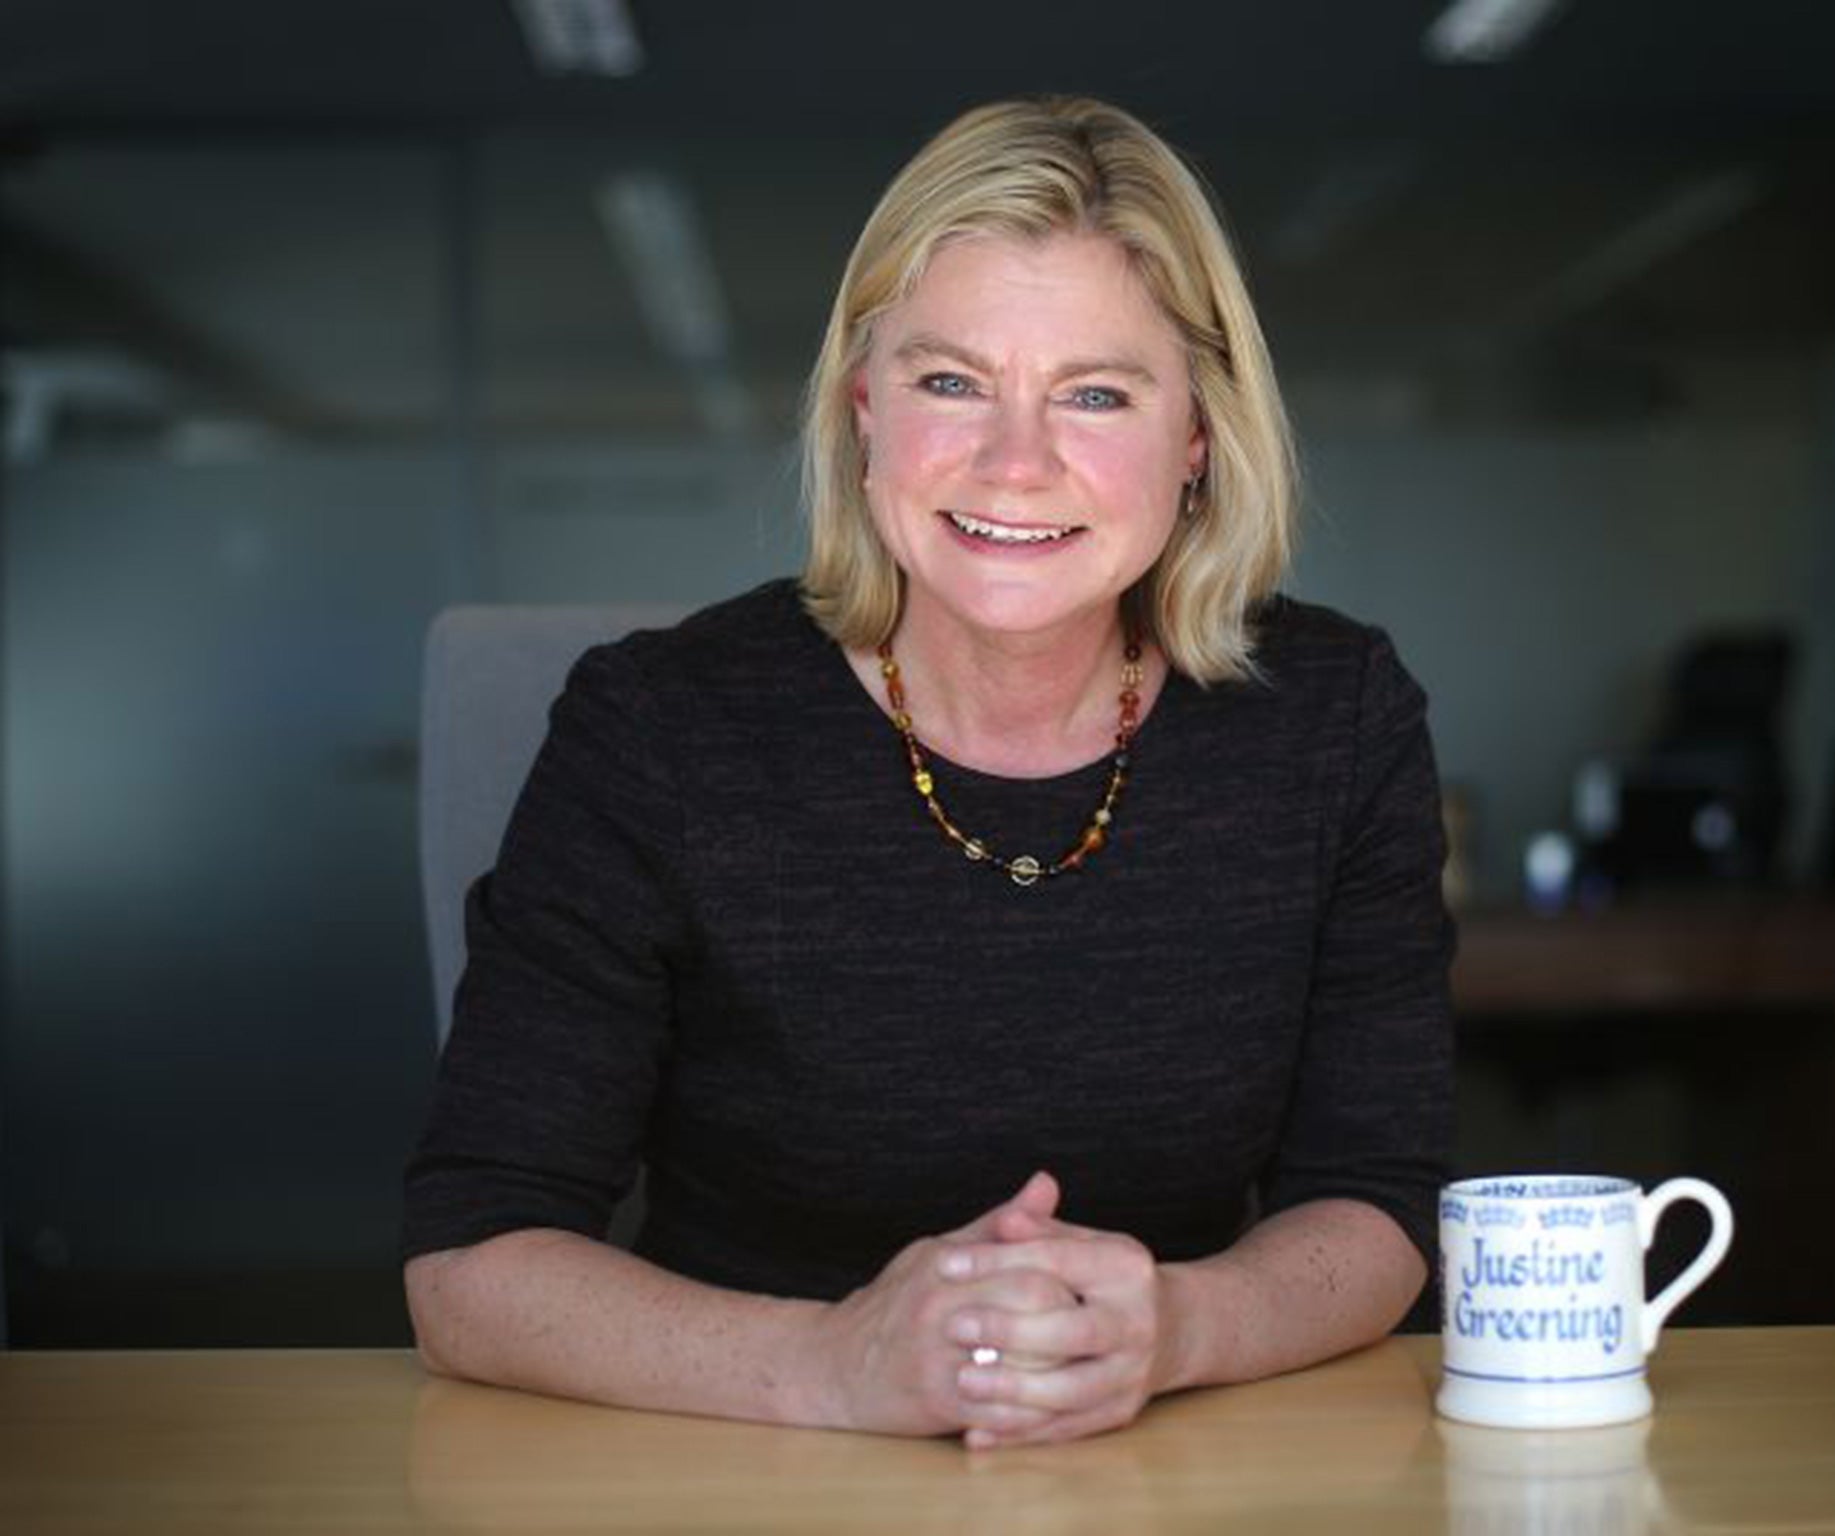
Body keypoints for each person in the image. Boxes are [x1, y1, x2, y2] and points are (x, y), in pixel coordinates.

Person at [402, 95, 1454, 1450]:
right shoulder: (658, 727)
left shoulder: (1335, 716)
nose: (1017, 463)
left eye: (1095, 393)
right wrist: (835, 1366)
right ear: (862, 411)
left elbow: (1378, 1198)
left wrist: (1178, 1327)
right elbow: (471, 1263)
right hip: (738, 1463)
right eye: (950, 380)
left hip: (1167, 1462)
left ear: (1196, 438)